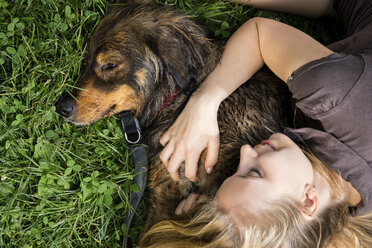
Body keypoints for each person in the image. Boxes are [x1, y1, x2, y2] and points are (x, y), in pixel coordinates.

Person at [141, 0, 372, 247]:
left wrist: (205, 226)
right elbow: (260, 35)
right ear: (308, 201)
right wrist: (204, 103)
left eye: (237, 171)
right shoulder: (333, 98)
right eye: (254, 172)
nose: (245, 152)